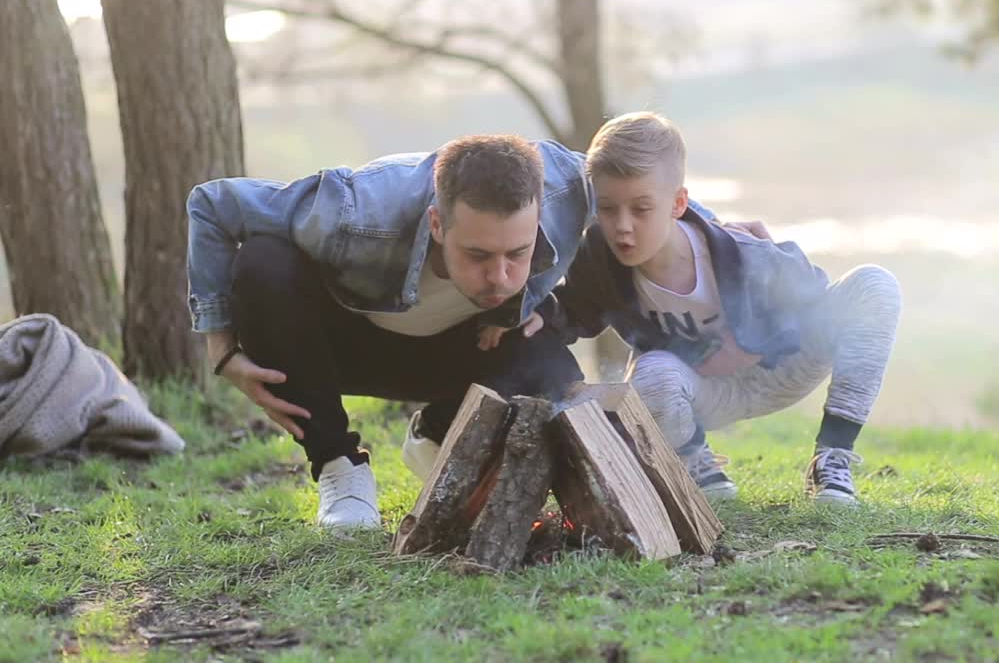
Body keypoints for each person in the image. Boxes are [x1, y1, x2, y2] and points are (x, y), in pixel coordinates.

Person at [186, 135, 589, 529]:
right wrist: (221, 349)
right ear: (436, 223)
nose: (500, 278)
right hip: (349, 348)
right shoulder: (351, 212)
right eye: (478, 255)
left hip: (468, 348)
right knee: (262, 263)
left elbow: (641, 187)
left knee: (554, 372)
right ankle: (339, 468)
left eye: (518, 253)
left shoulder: (575, 187)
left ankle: (441, 433)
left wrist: (558, 310)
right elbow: (212, 205)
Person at [541, 112, 902, 505]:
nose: (622, 226)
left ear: (678, 202)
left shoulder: (742, 254)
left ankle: (832, 457)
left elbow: (818, 300)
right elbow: (574, 311)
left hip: (781, 369)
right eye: (608, 209)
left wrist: (774, 285)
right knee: (650, 371)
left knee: (874, 284)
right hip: (704, 393)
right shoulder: (600, 261)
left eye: (641, 209)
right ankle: (697, 464)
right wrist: (525, 319)